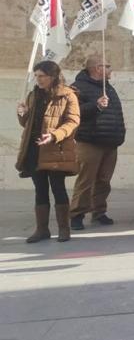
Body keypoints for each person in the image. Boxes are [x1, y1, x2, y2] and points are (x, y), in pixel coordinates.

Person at [16, 61, 80, 243]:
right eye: (36, 76)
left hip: (55, 149)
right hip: (34, 148)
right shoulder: (33, 95)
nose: (38, 79)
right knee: (40, 189)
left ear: (53, 76)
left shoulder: (68, 95)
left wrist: (54, 135)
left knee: (58, 188)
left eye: (42, 76)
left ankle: (64, 229)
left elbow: (73, 122)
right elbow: (27, 124)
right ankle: (42, 229)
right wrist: (22, 114)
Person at [68, 55, 125, 231]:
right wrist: (96, 105)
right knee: (86, 179)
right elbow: (73, 112)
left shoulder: (108, 87)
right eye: (107, 66)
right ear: (97, 68)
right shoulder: (78, 87)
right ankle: (77, 214)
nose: (110, 69)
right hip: (90, 141)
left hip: (110, 142)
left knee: (103, 180)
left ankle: (99, 211)